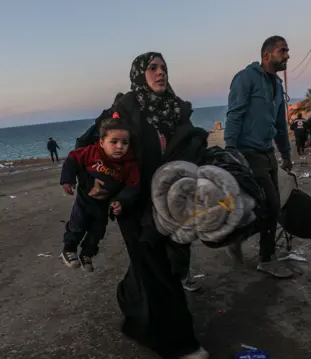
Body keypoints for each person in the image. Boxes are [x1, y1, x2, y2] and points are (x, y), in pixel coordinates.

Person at [108, 52, 208, 358]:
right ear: (140, 73)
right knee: (158, 272)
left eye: (164, 67)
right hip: (134, 205)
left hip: (169, 203)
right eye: (152, 68)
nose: (160, 73)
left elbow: (189, 147)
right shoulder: (125, 109)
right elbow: (99, 146)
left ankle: (127, 295)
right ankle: (182, 344)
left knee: (167, 264)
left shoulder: (177, 110)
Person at [224, 35, 294, 279]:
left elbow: (280, 124)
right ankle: (266, 258)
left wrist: (285, 153)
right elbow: (234, 115)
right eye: (282, 51)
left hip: (267, 153)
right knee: (271, 204)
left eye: (287, 51)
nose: (287, 55)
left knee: (268, 206)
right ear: (267, 55)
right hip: (248, 153)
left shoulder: (277, 86)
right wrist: (230, 152)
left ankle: (239, 239)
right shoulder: (246, 79)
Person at [59, 117, 140, 272]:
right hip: (85, 198)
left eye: (124, 143)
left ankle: (87, 254)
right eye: (114, 142)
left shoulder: (129, 164)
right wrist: (67, 180)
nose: (119, 147)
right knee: (78, 223)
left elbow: (132, 186)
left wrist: (120, 201)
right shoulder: (92, 152)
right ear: (102, 142)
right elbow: (72, 159)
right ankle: (69, 249)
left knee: (97, 231)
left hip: (104, 204)